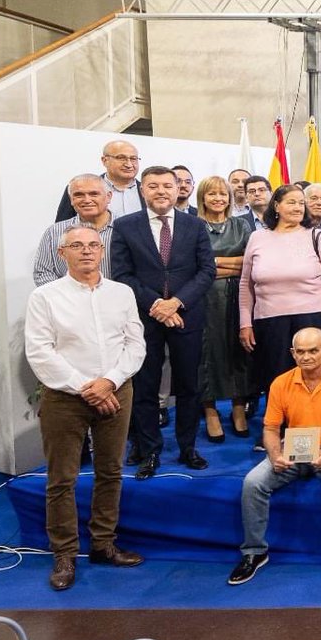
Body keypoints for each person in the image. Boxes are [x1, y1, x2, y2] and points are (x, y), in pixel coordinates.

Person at [25, 226, 147, 591]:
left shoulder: (121, 293)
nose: (86, 251)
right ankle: (64, 553)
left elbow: (134, 344)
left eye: (93, 245)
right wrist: (85, 386)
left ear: (102, 251)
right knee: (61, 479)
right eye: (76, 246)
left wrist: (109, 381)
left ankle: (103, 545)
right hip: (65, 397)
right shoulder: (45, 297)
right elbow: (39, 351)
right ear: (62, 254)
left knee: (110, 471)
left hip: (116, 389)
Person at [226, 329, 321, 585]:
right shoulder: (280, 382)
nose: (307, 357)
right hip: (293, 448)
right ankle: (254, 552)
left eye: (313, 351)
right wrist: (275, 455)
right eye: (300, 352)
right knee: (253, 482)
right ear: (292, 353)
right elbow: (270, 429)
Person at [110, 166, 216, 479]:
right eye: (153, 186)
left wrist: (176, 303)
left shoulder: (194, 225)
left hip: (187, 316)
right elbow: (122, 274)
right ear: (142, 190)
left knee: (188, 386)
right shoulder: (126, 226)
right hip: (144, 318)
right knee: (145, 386)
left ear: (177, 189)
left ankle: (187, 447)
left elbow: (206, 271)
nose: (161, 191)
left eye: (167, 185)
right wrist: (157, 304)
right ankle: (149, 450)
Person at [239, 184, 321, 405]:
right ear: (276, 206)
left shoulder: (316, 236)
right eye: (291, 202)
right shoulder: (257, 238)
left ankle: (311, 428)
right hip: (268, 320)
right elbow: (245, 284)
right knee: (275, 378)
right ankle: (277, 428)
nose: (298, 207)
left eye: (300, 203)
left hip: (310, 317)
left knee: (311, 376)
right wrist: (245, 324)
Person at [195, 175, 253, 443]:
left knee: (238, 351)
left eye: (223, 194)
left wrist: (216, 264)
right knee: (207, 353)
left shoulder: (241, 226)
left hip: (239, 297)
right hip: (203, 300)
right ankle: (210, 411)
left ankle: (238, 408)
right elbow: (195, 265)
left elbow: (250, 263)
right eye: (212, 194)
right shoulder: (193, 226)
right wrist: (221, 266)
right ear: (202, 198)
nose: (218, 199)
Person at [34, 174, 115, 286]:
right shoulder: (54, 233)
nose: (87, 200)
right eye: (79, 195)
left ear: (109, 196)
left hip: (116, 300)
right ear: (71, 199)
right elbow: (43, 273)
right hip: (66, 302)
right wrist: (67, 297)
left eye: (94, 194)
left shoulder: (127, 229)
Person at [55, 139, 145, 222]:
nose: (129, 164)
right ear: (105, 160)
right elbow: (63, 226)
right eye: (121, 158)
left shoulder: (148, 191)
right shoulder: (78, 189)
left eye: (133, 159)